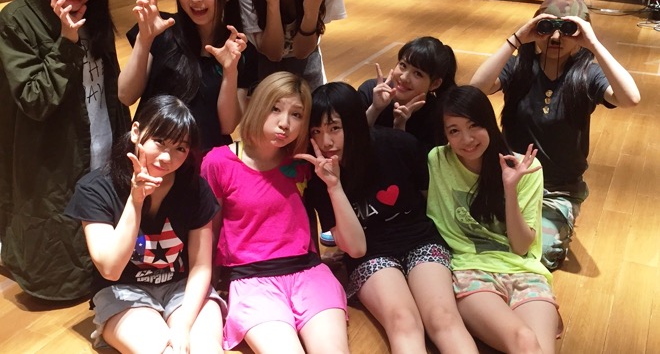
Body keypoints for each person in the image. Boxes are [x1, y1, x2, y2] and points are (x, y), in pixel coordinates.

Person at [0, 0, 130, 300]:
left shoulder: (94, 11)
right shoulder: (16, 21)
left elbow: (111, 89)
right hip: (51, 156)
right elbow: (34, 99)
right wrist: (66, 40)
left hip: (101, 143)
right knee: (57, 230)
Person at [470, 0, 640, 269]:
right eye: (547, 28)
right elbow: (476, 89)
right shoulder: (520, 67)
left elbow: (630, 98)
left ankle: (560, 219)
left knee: (539, 252)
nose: (556, 37)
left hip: (557, 190)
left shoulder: (586, 75)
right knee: (473, 235)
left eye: (569, 30)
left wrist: (594, 44)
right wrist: (516, 39)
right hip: (512, 181)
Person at [306, 82, 477, 354]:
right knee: (403, 321)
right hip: (371, 254)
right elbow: (356, 249)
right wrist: (334, 186)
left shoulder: (398, 145)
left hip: (420, 240)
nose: (326, 142)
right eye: (316, 131)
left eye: (334, 128)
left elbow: (430, 200)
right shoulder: (317, 179)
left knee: (443, 317)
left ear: (354, 123)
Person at [201, 72, 356, 353]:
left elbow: (312, 219)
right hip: (251, 280)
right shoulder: (218, 162)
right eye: (275, 109)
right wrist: (207, 288)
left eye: (296, 115)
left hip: (308, 272)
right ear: (258, 105)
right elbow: (210, 233)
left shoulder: (304, 163)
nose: (285, 123)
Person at [65, 95, 223, 353]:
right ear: (136, 132)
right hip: (123, 291)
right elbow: (110, 269)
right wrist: (135, 200)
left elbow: (201, 266)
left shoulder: (195, 189)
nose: (167, 157)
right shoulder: (96, 189)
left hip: (182, 289)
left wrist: (183, 325)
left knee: (206, 349)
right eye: (159, 141)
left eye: (180, 148)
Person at [427, 85, 560, 354]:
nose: (467, 139)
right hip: (471, 269)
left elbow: (521, 247)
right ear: (445, 135)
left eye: (474, 125)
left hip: (524, 271)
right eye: (454, 131)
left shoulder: (527, 168)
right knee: (524, 339)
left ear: (489, 122)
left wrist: (510, 189)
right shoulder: (439, 160)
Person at [119, 0, 257, 153]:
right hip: (153, 158)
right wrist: (144, 40)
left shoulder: (240, 49)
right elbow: (126, 95)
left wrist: (230, 70)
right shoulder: (161, 30)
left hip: (203, 160)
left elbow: (227, 125)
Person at [358, 36, 457, 152]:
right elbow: (350, 141)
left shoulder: (437, 117)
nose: (404, 77)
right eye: (403, 65)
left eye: (418, 74)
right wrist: (375, 109)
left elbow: (419, 162)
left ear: (435, 84)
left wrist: (399, 128)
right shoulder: (370, 91)